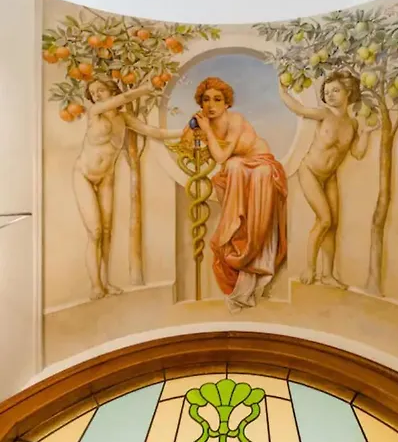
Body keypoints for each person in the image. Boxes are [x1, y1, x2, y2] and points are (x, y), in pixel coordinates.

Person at [73, 79, 183, 300]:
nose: (96, 95)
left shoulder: (123, 119)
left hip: (106, 178)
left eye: (101, 90)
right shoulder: (95, 112)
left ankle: (105, 282)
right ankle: (95, 286)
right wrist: (147, 88)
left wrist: (185, 131)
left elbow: (155, 132)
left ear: (111, 90)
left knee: (106, 232)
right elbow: (124, 98)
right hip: (84, 176)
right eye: (93, 93)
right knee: (95, 232)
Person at [190, 76, 288, 313]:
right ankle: (236, 241)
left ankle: (251, 255)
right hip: (239, 171)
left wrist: (207, 132)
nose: (211, 105)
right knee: (233, 167)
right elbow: (175, 138)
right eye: (206, 99)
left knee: (237, 166)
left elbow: (221, 156)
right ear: (200, 102)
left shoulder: (235, 119)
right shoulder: (200, 123)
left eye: (217, 99)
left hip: (260, 165)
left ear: (227, 103)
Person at [279, 70, 378, 289]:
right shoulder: (324, 114)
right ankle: (310, 269)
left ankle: (328, 275)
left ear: (348, 92)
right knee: (324, 219)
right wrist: (283, 91)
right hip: (310, 171)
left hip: (329, 176)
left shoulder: (352, 124)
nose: (329, 95)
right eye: (326, 91)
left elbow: (358, 153)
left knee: (333, 225)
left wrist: (366, 133)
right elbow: (298, 109)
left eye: (335, 90)